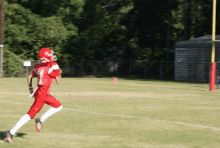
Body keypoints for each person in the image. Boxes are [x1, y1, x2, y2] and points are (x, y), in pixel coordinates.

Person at [5, 48, 63, 143]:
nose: (52, 56)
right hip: (42, 95)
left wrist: (31, 90)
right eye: (50, 55)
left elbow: (29, 77)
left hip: (40, 92)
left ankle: (40, 121)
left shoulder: (38, 67)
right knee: (30, 115)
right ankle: (11, 132)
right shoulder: (51, 66)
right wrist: (59, 72)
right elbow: (58, 81)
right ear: (47, 57)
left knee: (59, 106)